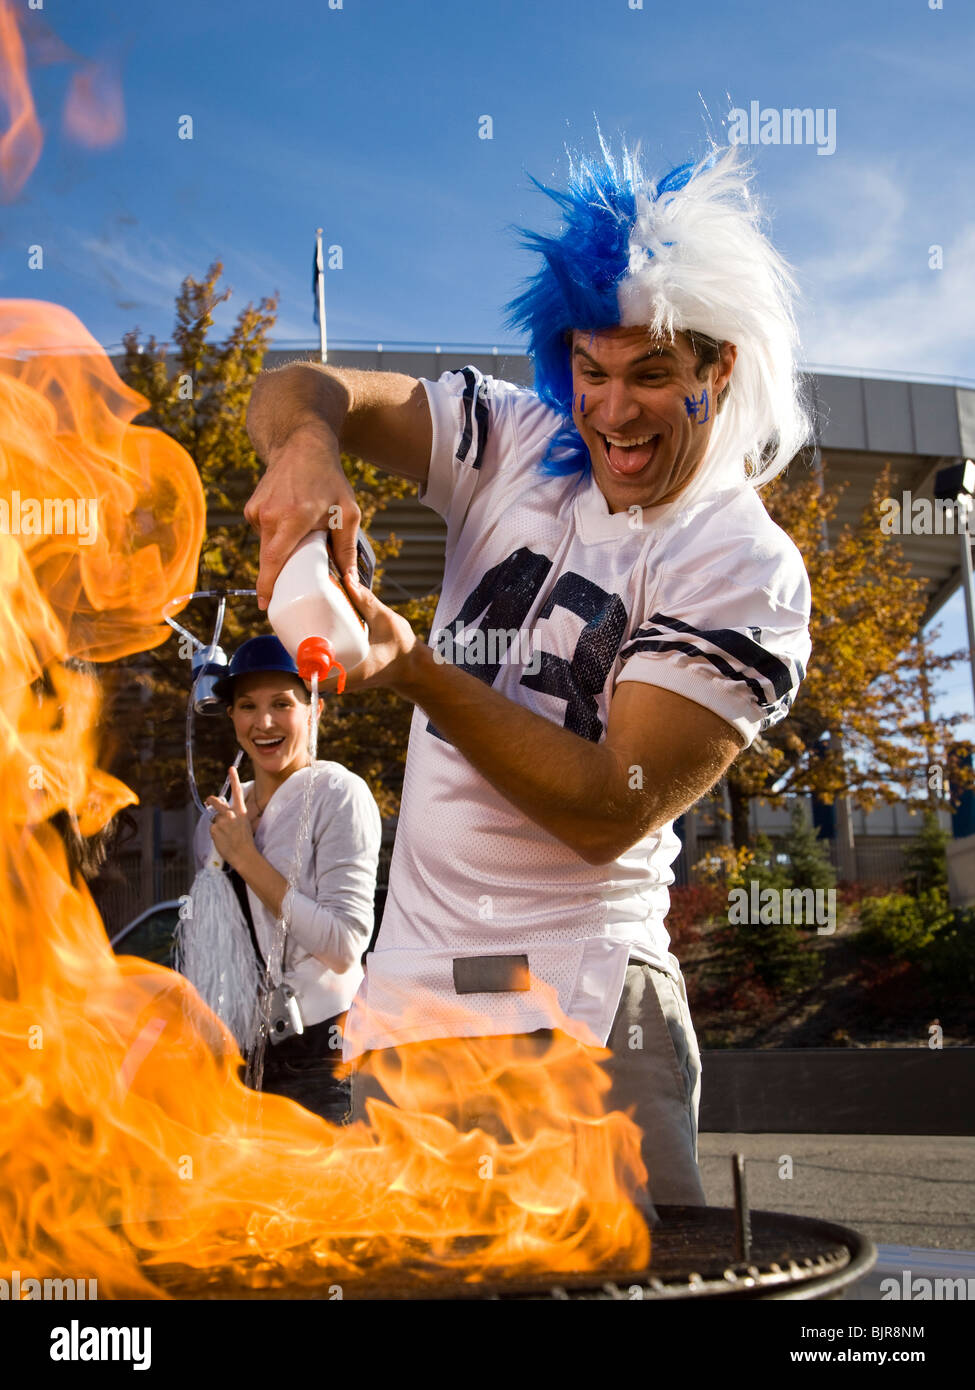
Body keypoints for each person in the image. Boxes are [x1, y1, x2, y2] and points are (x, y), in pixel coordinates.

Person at [240, 143, 812, 1206]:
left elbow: (607, 808)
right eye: (591, 370)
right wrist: (307, 449)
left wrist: (413, 668)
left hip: (585, 1011)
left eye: (651, 374)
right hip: (412, 1008)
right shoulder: (514, 440)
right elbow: (296, 386)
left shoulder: (741, 561)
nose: (613, 412)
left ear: (718, 367)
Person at [191, 634, 382, 1124]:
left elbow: (343, 946)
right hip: (239, 1060)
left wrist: (246, 858)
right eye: (248, 705)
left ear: (314, 709)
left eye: (283, 703)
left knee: (317, 1200)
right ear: (231, 716)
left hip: (324, 1054)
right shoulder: (217, 820)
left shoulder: (339, 794)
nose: (265, 722)